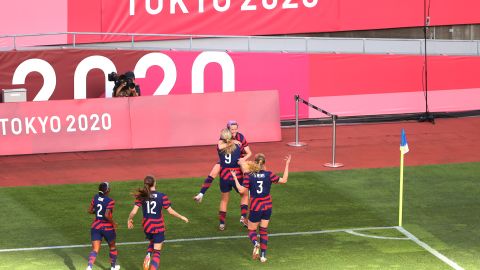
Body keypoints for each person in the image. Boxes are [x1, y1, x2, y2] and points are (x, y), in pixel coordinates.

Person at [231, 153, 291, 263]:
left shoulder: (249, 176)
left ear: (254, 162)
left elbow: (241, 190)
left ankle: (255, 243)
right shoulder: (269, 174)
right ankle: (263, 256)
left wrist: (235, 178)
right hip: (267, 206)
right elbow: (284, 180)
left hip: (256, 207)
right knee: (263, 230)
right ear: (264, 163)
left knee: (251, 230)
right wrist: (287, 164)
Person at [193, 120, 252, 227]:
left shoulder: (222, 143)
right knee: (244, 193)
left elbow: (220, 146)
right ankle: (244, 216)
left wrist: (232, 145)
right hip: (235, 171)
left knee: (222, 196)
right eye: (232, 129)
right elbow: (244, 151)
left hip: (225, 172)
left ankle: (221, 223)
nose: (234, 131)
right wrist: (235, 144)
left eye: (235, 129)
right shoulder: (238, 145)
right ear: (229, 131)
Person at [128, 175, 189, 270]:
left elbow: (134, 212)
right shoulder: (162, 196)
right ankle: (151, 260)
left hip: (147, 226)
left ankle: (148, 254)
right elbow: (170, 211)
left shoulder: (142, 196)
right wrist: (181, 217)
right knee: (157, 252)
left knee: (152, 241)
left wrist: (129, 219)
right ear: (154, 183)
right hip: (158, 226)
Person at [86, 182, 120, 270]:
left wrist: (97, 211)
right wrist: (113, 223)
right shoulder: (110, 201)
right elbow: (106, 215)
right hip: (107, 227)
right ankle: (113, 267)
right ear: (107, 190)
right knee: (112, 247)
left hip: (96, 226)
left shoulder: (95, 197)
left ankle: (89, 267)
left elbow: (89, 211)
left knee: (95, 249)